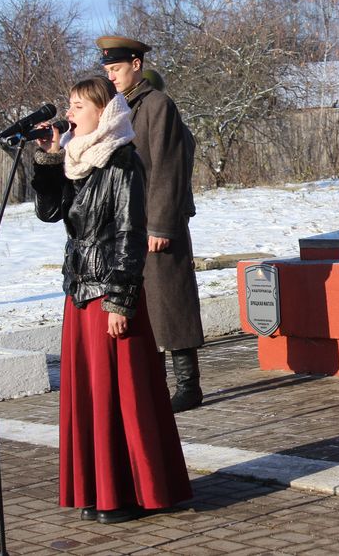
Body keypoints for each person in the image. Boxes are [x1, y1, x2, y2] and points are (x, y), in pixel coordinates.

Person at [32, 76, 192, 523]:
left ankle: (129, 492)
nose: (69, 114)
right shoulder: (74, 159)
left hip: (110, 294)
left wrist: (120, 302)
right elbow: (50, 212)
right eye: (69, 105)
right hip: (79, 293)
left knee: (120, 396)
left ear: (103, 112)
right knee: (88, 396)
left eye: (78, 106)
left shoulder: (122, 160)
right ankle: (95, 489)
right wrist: (48, 159)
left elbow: (130, 235)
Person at [96, 36, 205, 412]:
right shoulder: (117, 107)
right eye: (107, 70)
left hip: (158, 222)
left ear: (136, 64)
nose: (111, 76)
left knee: (171, 302)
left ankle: (188, 386)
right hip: (127, 224)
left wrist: (161, 226)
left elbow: (168, 167)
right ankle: (151, 387)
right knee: (139, 304)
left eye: (116, 68)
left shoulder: (157, 104)